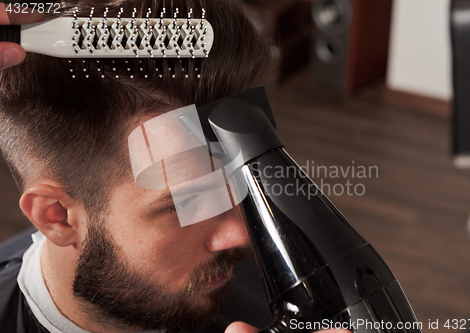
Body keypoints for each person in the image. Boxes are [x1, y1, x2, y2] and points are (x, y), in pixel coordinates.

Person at [0, 1, 344, 332]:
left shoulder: (290, 281)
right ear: (56, 216)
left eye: (244, 178)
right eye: (187, 202)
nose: (241, 234)